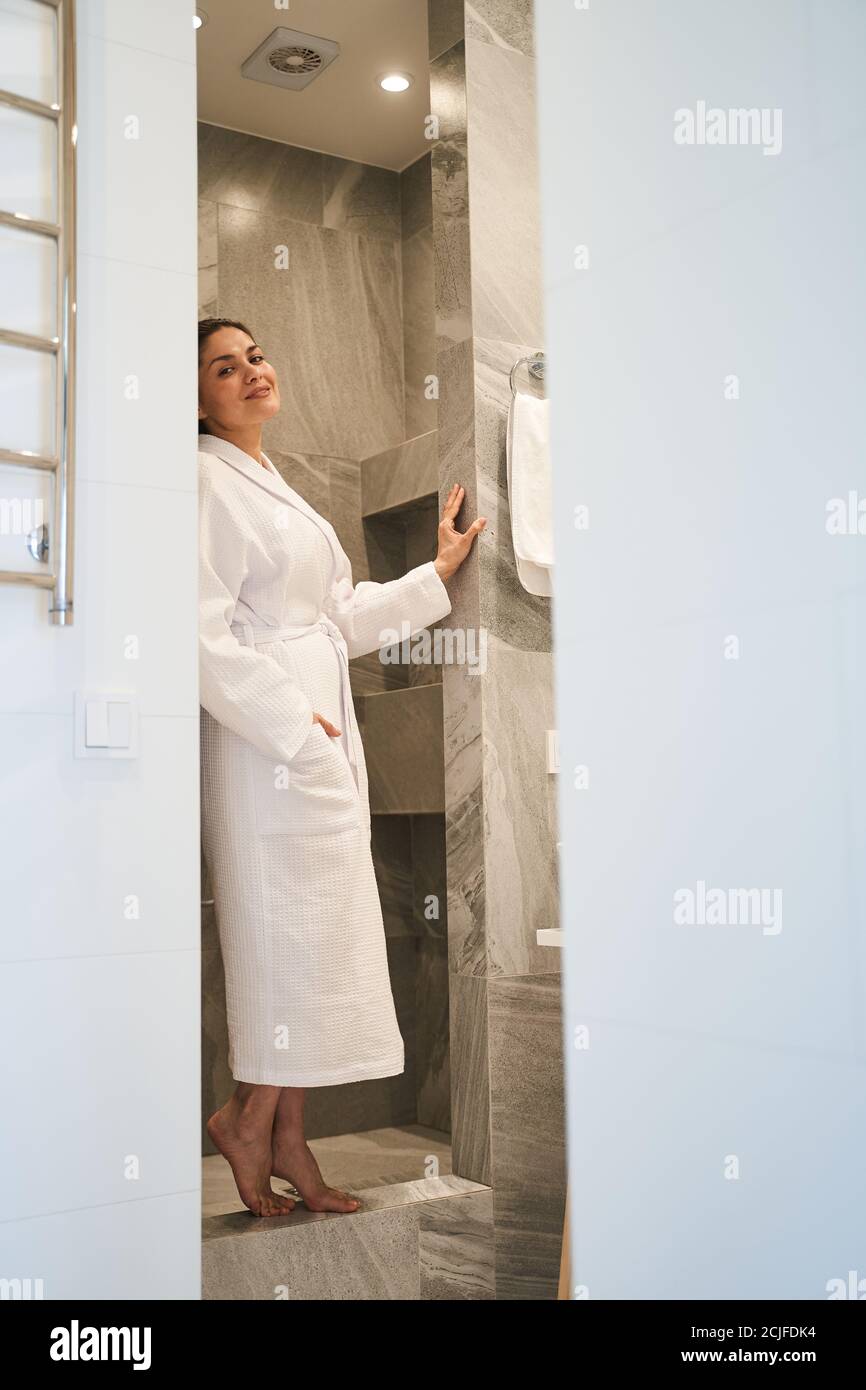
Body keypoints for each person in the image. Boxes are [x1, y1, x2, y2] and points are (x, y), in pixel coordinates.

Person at [198, 317, 486, 1217]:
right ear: (197, 399)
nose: (252, 373)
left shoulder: (277, 488)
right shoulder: (201, 482)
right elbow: (195, 635)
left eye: (255, 356)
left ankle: (287, 1135)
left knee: (316, 948)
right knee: (287, 943)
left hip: (310, 745)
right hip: (267, 747)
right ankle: (251, 1121)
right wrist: (295, 724)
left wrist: (435, 573)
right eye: (223, 367)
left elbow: (341, 617)